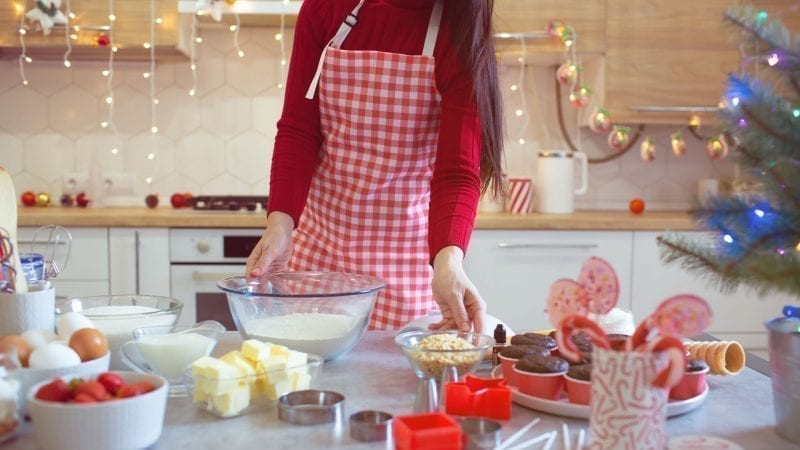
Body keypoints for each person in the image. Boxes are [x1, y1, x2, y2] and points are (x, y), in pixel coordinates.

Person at [246, 0, 505, 333]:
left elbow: (456, 171)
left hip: (407, 263)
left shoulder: (459, 29)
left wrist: (449, 261)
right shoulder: (325, 9)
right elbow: (299, 130)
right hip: (319, 254)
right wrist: (279, 226)